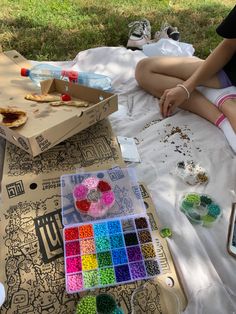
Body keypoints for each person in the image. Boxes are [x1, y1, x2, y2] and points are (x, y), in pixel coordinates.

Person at [135, 6, 236, 152]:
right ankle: (221, 103)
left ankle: (225, 103)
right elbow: (230, 44)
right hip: (227, 72)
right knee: (144, 69)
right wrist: (186, 87)